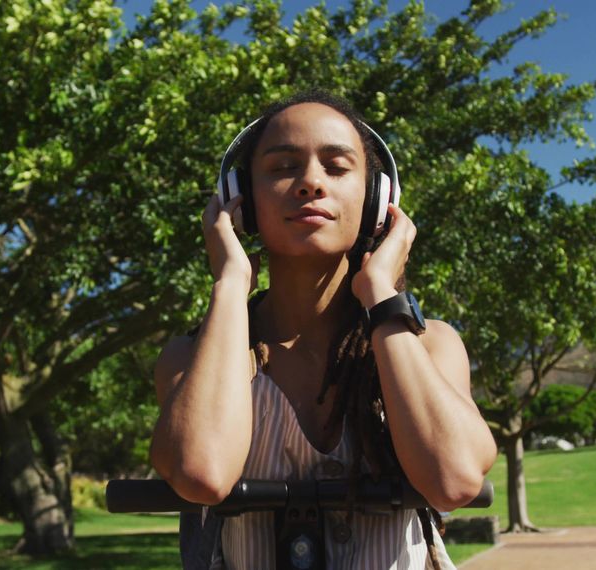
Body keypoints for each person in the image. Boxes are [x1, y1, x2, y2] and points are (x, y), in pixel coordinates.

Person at [149, 90, 497, 569]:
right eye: (282, 167)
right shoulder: (191, 357)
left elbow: (454, 481)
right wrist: (229, 283)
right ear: (242, 200)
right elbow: (201, 474)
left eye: (336, 167)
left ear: (377, 199)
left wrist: (380, 293)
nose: (311, 182)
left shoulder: (431, 344)